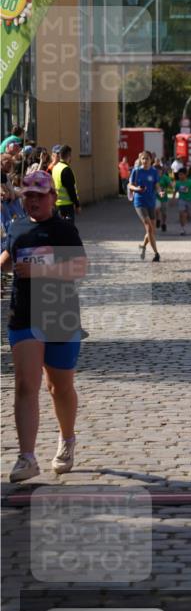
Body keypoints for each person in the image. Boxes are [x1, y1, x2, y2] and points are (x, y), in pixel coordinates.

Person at [1, 170, 88, 481]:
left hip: (59, 313)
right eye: (28, 195)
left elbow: (80, 267)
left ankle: (67, 440)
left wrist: (38, 269)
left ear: (52, 197)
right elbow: (10, 257)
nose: (33, 200)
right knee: (26, 385)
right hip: (23, 314)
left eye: (40, 195)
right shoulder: (17, 226)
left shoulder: (63, 230)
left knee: (59, 388)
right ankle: (26, 457)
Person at [128, 151, 161, 261]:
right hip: (140, 202)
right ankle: (156, 254)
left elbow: (156, 185)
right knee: (149, 228)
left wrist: (160, 192)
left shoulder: (154, 171)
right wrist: (137, 189)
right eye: (143, 158)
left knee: (152, 230)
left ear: (151, 160)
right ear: (140, 160)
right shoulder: (136, 171)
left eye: (147, 158)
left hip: (151, 202)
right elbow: (130, 185)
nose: (145, 161)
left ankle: (143, 245)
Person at [51, 145, 81, 221]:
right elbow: (71, 189)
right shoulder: (66, 169)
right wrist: (77, 205)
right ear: (69, 155)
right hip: (66, 205)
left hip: (57, 204)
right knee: (69, 229)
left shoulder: (55, 167)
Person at [173, 166, 191, 235]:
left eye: (181, 174)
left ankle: (189, 217)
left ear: (185, 174)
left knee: (189, 214)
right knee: (182, 213)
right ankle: (182, 228)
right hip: (182, 199)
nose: (180, 176)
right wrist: (173, 198)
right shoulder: (178, 183)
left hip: (190, 200)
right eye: (179, 175)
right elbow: (175, 191)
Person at [156, 164, 172, 232]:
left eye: (159, 170)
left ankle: (163, 224)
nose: (158, 172)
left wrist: (169, 186)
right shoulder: (154, 177)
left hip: (163, 196)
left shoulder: (165, 177)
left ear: (162, 171)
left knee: (164, 213)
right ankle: (158, 220)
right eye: (156, 171)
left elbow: (170, 186)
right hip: (155, 196)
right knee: (157, 209)